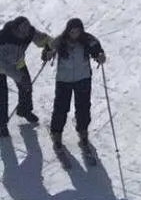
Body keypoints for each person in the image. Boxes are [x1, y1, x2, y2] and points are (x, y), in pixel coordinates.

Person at [43, 17, 105, 147]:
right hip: (64, 79)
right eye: (72, 31)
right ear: (68, 31)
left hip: (83, 78)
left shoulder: (89, 40)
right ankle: (56, 132)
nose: (74, 34)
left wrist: (100, 57)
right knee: (61, 107)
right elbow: (48, 50)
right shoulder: (60, 41)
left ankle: (83, 130)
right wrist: (48, 54)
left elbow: (98, 51)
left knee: (83, 106)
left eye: (77, 31)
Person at [0, 14, 52, 132]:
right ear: (15, 29)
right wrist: (19, 77)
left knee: (26, 86)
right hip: (1, 65)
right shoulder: (3, 38)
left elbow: (45, 39)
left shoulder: (29, 32)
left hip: (18, 62)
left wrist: (49, 48)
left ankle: (24, 110)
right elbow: (5, 66)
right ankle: (1, 123)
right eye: (22, 32)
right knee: (2, 95)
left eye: (27, 31)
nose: (25, 35)